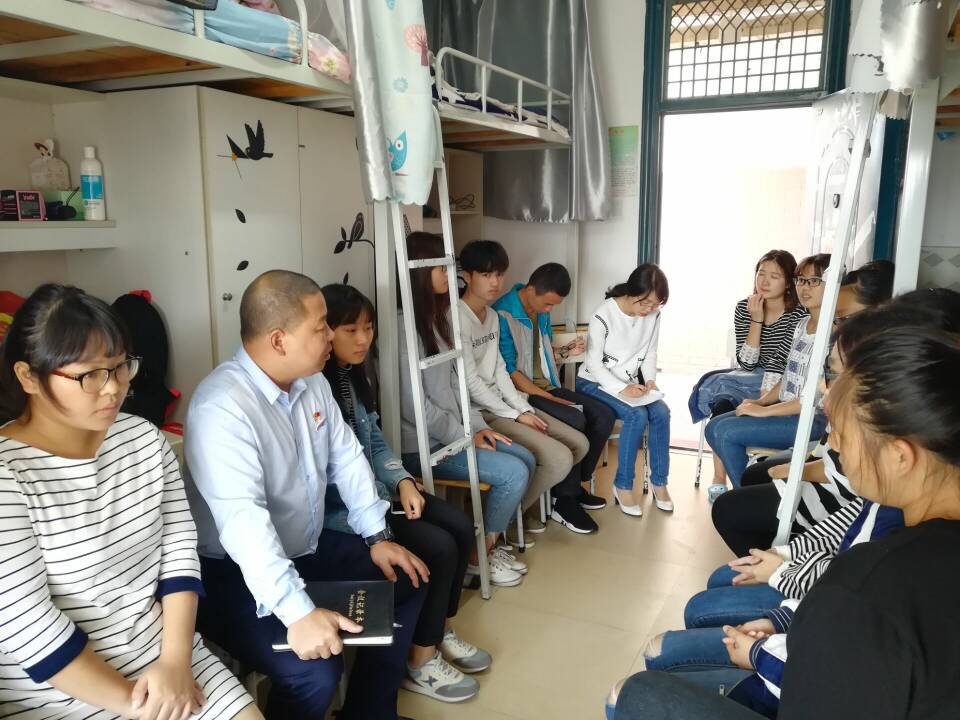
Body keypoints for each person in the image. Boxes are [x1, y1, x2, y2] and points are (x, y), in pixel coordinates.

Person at [613, 326, 960, 720]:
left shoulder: (868, 584)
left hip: (783, 674)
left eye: (843, 436)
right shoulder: (898, 522)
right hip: (794, 639)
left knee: (631, 694)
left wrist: (762, 648)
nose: (834, 447)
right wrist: (783, 589)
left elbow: (813, 687)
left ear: (900, 455)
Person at [0, 284, 258, 720]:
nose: (114, 388)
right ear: (28, 377)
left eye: (121, 367)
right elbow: (28, 626)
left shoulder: (142, 438)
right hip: (61, 692)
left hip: (166, 657)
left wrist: (175, 662)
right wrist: (139, 705)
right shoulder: (10, 473)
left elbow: (179, 554)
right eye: (90, 375)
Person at [184, 270, 428, 720]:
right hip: (233, 572)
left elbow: (348, 457)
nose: (331, 336)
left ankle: (369, 713)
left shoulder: (311, 381)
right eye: (320, 328)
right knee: (313, 672)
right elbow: (244, 524)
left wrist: (377, 536)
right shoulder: (222, 407)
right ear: (279, 340)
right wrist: (297, 613)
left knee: (406, 579)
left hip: (305, 549)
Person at [320, 283, 488, 703]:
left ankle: (438, 631)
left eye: (368, 328)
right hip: (343, 516)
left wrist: (403, 481)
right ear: (325, 331)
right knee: (439, 546)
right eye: (351, 330)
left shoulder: (351, 377)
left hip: (378, 496)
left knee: (458, 524)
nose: (363, 339)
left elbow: (374, 443)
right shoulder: (316, 389)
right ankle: (420, 660)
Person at [397, 233, 532, 588]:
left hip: (452, 436)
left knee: (525, 458)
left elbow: (457, 386)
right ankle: (477, 557)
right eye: (441, 267)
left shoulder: (439, 320)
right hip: (423, 446)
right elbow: (415, 407)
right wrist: (464, 435)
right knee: (514, 472)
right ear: (418, 270)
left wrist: (476, 427)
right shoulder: (403, 327)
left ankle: (489, 545)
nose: (450, 274)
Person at [459, 240, 604, 535]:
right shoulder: (459, 318)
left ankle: (509, 515)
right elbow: (471, 381)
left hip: (507, 402)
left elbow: (500, 370)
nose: (495, 282)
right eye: (486, 275)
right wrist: (517, 413)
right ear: (466, 276)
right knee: (561, 456)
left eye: (499, 274)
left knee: (581, 444)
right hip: (480, 413)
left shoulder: (492, 317)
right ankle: (498, 525)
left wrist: (521, 407)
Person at [492, 263, 616, 519]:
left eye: (554, 305)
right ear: (531, 289)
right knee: (576, 418)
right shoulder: (502, 314)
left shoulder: (542, 312)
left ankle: (573, 486)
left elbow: (541, 352)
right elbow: (510, 370)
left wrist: (566, 351)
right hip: (525, 392)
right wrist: (550, 398)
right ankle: (564, 499)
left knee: (605, 416)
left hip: (548, 386)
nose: (549, 310)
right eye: (547, 303)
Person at [705, 255, 832, 493]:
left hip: (811, 420)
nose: (805, 287)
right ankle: (745, 494)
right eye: (801, 280)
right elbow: (787, 376)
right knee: (713, 427)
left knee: (725, 432)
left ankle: (744, 496)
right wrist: (761, 402)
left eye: (814, 281)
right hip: (786, 407)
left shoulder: (832, 333)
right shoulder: (803, 324)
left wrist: (764, 410)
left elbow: (810, 400)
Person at [687, 250, 807, 501]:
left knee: (729, 396)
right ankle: (719, 479)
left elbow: (779, 362)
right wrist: (757, 320)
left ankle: (745, 489)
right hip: (749, 377)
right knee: (721, 405)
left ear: (788, 283)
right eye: (761, 273)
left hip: (781, 382)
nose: (764, 281)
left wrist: (763, 399)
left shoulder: (799, 313)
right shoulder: (745, 307)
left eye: (774, 276)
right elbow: (747, 363)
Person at [575, 264, 673, 515]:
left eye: (656, 305)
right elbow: (594, 364)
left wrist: (650, 381)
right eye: (646, 303)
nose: (649, 310)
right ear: (632, 292)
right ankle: (623, 485)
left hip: (629, 384)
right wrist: (622, 389)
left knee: (661, 412)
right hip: (594, 382)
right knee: (635, 415)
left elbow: (650, 352)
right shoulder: (603, 315)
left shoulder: (653, 316)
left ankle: (659, 482)